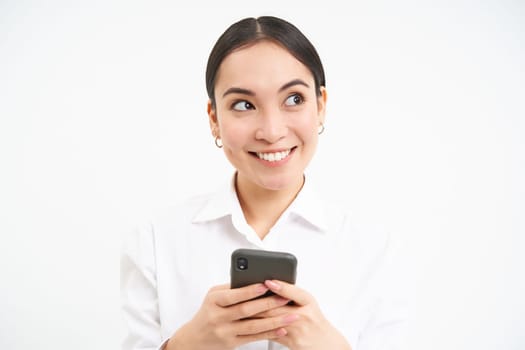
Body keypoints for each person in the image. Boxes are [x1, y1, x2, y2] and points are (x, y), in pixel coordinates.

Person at [120, 15, 409, 350]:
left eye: (294, 99)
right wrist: (186, 345)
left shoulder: (376, 252)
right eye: (244, 105)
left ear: (321, 106)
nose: (272, 131)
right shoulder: (155, 242)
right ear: (214, 119)